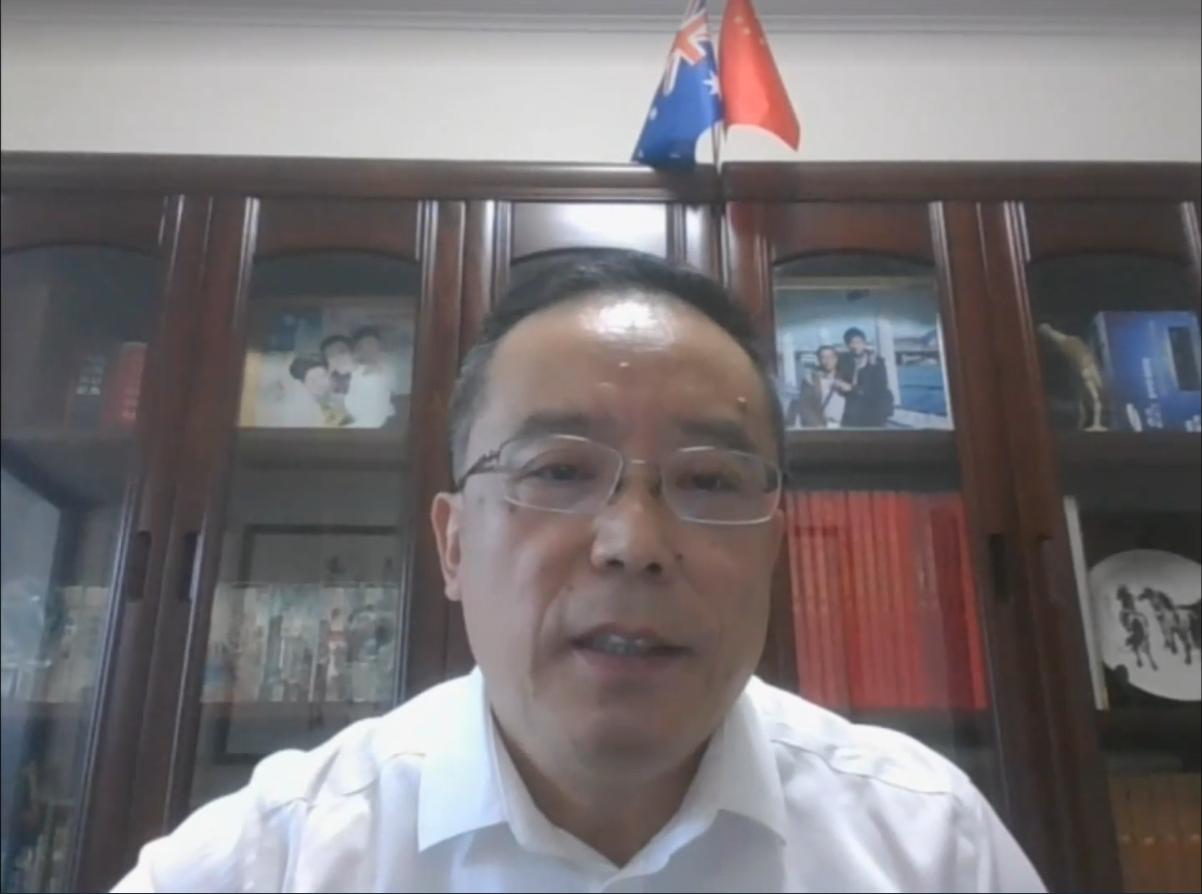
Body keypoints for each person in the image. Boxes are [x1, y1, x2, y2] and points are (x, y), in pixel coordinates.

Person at [112, 253, 1044, 892]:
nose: (632, 542)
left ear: (774, 548)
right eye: (558, 472)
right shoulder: (264, 862)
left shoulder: (929, 849)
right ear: (453, 545)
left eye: (709, 481)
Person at [836, 326, 894, 428]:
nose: (855, 346)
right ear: (847, 345)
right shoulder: (843, 360)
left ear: (864, 343)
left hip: (873, 410)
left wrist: (852, 388)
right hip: (851, 412)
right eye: (851, 343)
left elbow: (880, 387)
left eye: (858, 342)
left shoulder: (876, 362)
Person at [344, 326, 400, 428]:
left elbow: (392, 393)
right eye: (367, 344)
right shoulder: (350, 370)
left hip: (384, 421)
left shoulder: (387, 368)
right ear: (358, 348)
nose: (372, 348)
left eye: (375, 344)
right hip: (356, 421)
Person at [286, 356, 348, 428]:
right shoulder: (302, 413)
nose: (321, 383)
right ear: (303, 384)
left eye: (323, 376)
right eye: (313, 380)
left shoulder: (345, 399)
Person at [798, 344, 847, 428]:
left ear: (836, 359)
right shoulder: (810, 380)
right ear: (819, 360)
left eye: (830, 357)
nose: (827, 360)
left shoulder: (846, 377)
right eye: (823, 357)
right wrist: (819, 426)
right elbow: (805, 407)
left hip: (845, 426)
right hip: (823, 426)